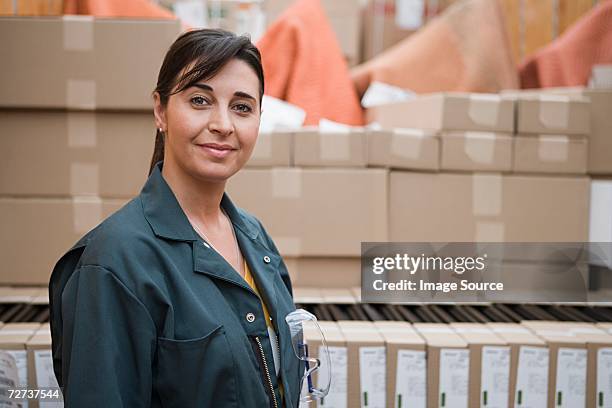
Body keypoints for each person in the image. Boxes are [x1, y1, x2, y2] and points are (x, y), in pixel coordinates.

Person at [48, 28, 302, 407]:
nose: (223, 124)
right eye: (200, 100)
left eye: (242, 107)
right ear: (160, 110)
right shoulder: (115, 261)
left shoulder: (255, 238)